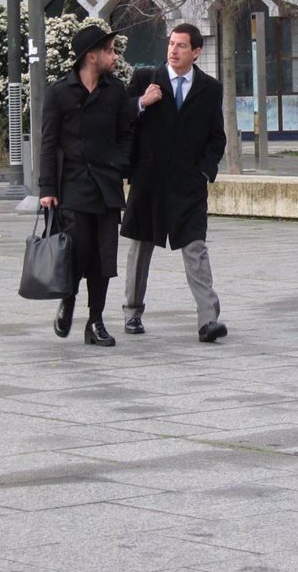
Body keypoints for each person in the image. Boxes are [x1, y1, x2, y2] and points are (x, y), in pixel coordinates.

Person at [120, 23, 228, 342]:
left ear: (196, 52)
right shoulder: (145, 79)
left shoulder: (210, 89)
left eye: (181, 46)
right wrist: (142, 103)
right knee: (140, 247)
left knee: (195, 248)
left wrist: (205, 171)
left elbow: (216, 137)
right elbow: (120, 118)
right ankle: (132, 312)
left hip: (188, 185)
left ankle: (208, 320)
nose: (173, 50)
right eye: (171, 44)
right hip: (149, 180)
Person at [38, 24, 135, 348]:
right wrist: (47, 188)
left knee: (103, 258)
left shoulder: (116, 91)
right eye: (108, 50)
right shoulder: (59, 93)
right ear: (91, 56)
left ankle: (96, 321)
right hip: (73, 186)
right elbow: (48, 143)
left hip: (106, 185)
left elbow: (126, 134)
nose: (114, 56)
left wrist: (120, 162)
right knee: (76, 253)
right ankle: (68, 299)